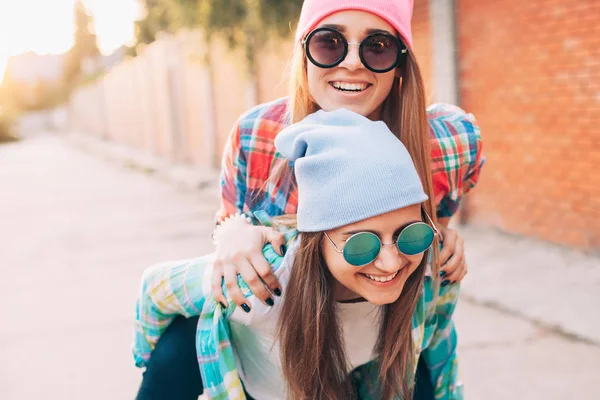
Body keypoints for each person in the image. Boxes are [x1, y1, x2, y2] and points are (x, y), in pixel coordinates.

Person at [135, 0, 484, 398]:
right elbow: (224, 229)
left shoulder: (445, 142)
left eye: (378, 45)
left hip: (386, 322)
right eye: (329, 42)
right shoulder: (259, 134)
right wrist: (232, 235)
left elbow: (435, 219)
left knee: (417, 377)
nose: (353, 62)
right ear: (304, 52)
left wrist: (440, 235)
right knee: (179, 345)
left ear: (402, 61)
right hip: (283, 330)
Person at [134, 109, 463, 400]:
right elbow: (155, 288)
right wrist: (145, 354)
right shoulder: (260, 282)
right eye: (362, 243)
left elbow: (440, 355)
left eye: (411, 234)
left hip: (348, 384)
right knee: (176, 346)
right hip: (256, 388)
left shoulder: (430, 273)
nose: (391, 263)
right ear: (316, 239)